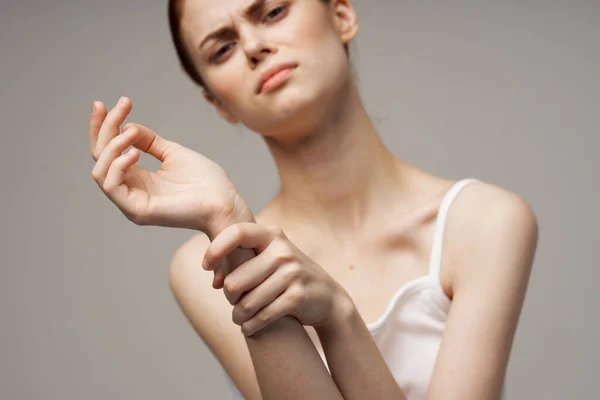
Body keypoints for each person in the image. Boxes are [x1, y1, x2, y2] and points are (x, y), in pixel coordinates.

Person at [88, 0, 539, 398]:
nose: (253, 47)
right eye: (221, 48)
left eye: (273, 12)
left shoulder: (484, 222)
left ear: (341, 15)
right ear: (219, 104)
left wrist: (339, 317)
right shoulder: (205, 264)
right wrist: (225, 218)